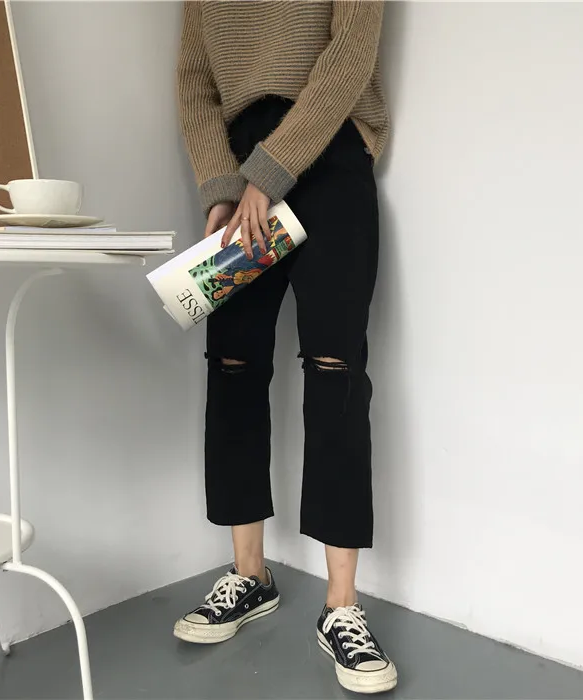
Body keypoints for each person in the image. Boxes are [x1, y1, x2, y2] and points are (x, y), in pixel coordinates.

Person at [173, 1, 394, 693]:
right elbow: (195, 81)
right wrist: (221, 187)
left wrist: (269, 176)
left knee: (335, 368)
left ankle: (342, 607)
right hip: (238, 172)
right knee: (232, 367)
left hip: (328, 156)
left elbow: (349, 56)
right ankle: (250, 576)